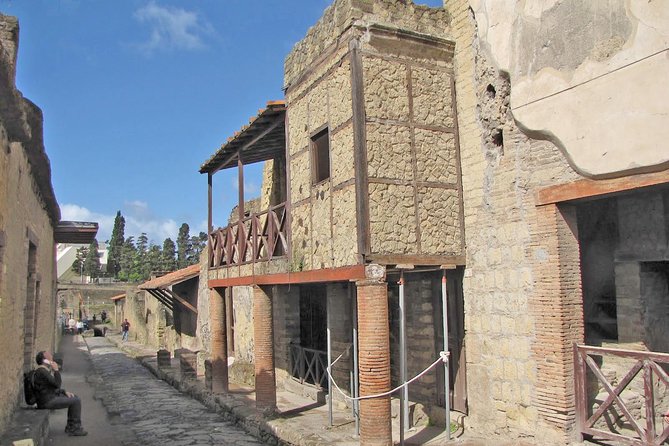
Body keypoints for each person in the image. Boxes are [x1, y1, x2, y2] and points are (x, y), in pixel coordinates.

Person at [33, 351, 87, 436]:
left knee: (74, 397)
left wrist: (64, 392)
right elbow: (57, 384)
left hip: (48, 397)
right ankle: (74, 428)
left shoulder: (43, 371)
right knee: (76, 401)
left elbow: (50, 388)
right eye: (49, 356)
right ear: (44, 360)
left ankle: (71, 426)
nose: (51, 356)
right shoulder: (42, 372)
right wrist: (56, 370)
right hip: (47, 401)